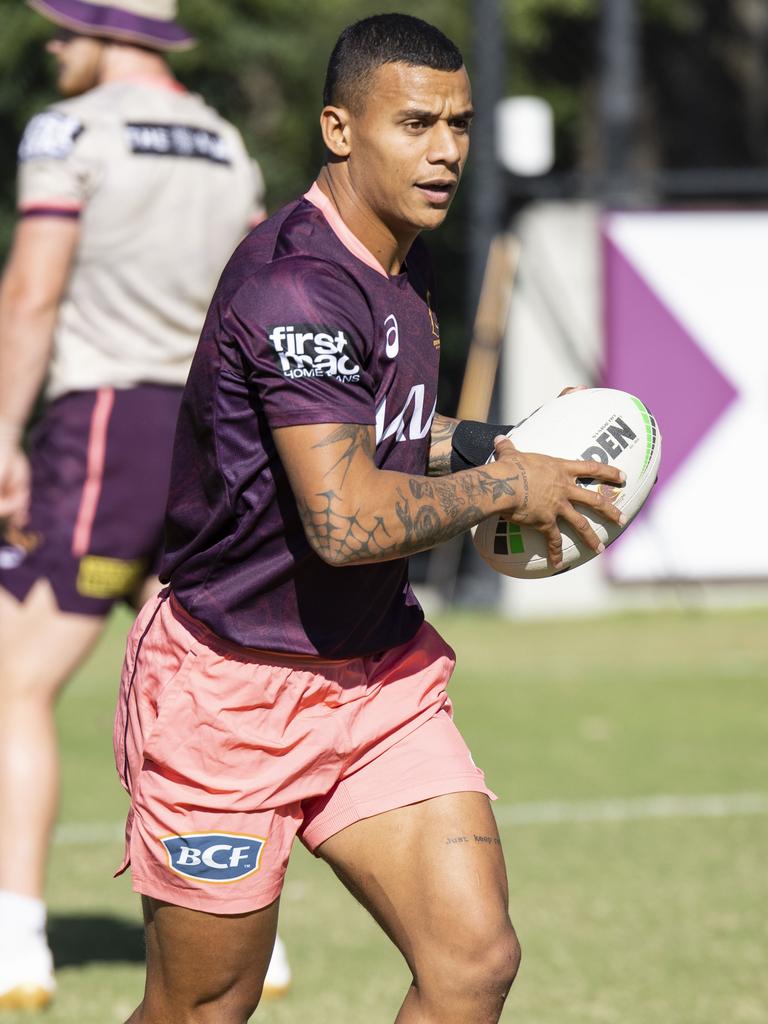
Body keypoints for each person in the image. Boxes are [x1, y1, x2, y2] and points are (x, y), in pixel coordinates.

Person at [114, 13, 625, 1023]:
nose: (444, 152)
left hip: (376, 677)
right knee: (205, 1007)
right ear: (341, 130)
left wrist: (496, 446)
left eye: (460, 125)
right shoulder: (297, 286)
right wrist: (508, 490)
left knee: (472, 960)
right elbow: (346, 518)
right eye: (416, 124)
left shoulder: (400, 257)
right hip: (232, 689)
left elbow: (381, 431)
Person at [0, 0, 292, 1010]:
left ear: (104, 30)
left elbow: (32, 292)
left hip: (110, 423)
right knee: (207, 693)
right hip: (214, 433)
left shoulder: (66, 128)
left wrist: (2, 434)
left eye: (62, 24)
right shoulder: (224, 139)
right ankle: (263, 934)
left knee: (14, 683)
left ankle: (15, 941)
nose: (49, 43)